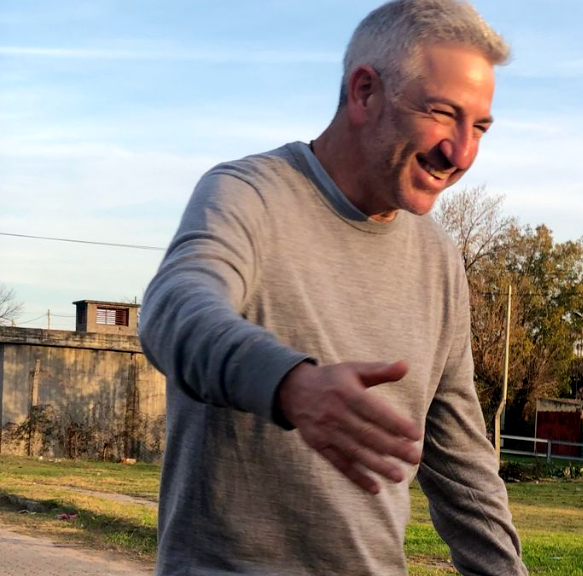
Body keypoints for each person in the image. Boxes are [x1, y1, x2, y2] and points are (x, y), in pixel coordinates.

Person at [138, 1, 528, 574]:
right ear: (364, 92)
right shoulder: (250, 195)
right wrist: (289, 384)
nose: (462, 153)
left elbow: (462, 467)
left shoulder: (439, 259)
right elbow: (175, 309)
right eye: (443, 114)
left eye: (481, 127)